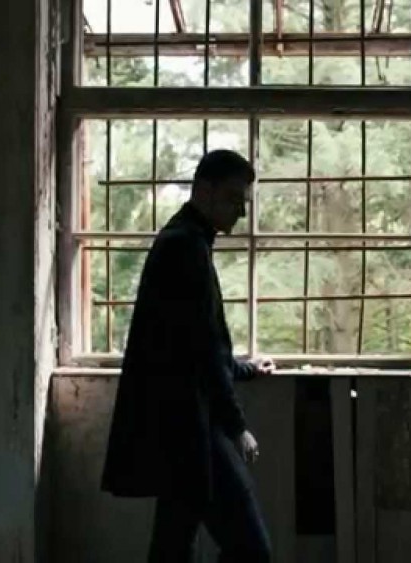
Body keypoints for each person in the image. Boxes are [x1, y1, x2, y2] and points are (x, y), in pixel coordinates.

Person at [101, 149, 276, 562]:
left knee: (173, 548)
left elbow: (195, 341)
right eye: (233, 199)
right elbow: (202, 348)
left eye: (243, 202)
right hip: (189, 427)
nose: (241, 213)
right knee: (250, 550)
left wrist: (245, 369)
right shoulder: (186, 248)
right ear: (204, 190)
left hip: (178, 428)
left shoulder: (182, 240)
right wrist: (237, 426)